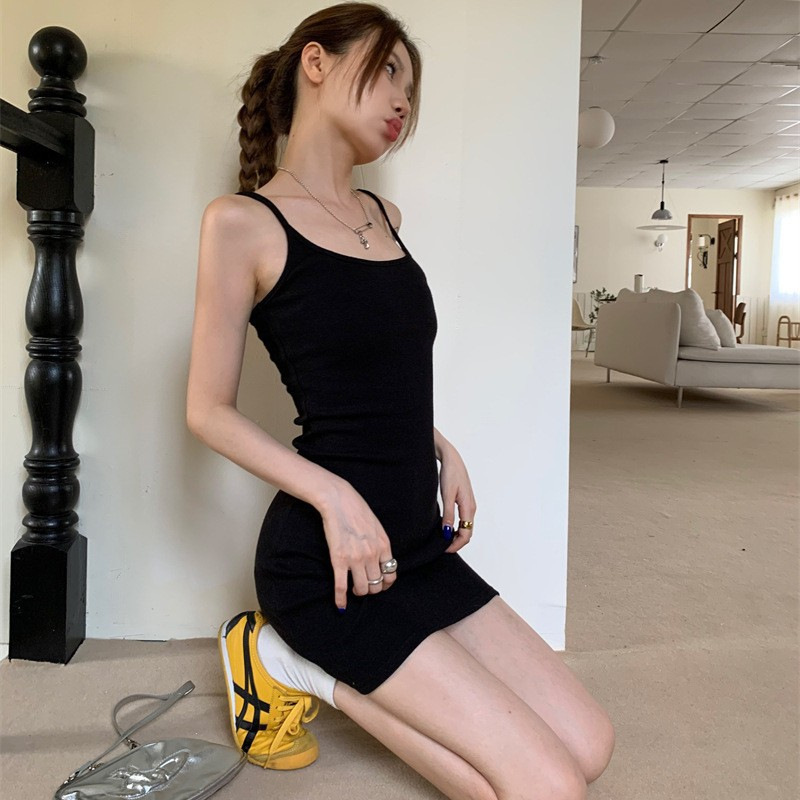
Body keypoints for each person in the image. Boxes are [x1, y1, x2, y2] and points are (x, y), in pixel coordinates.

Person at [186, 3, 614, 797]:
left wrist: (438, 445)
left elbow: (376, 378)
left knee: (591, 745)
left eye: (411, 89)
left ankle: (301, 664)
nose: (403, 102)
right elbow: (207, 410)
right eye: (388, 70)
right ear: (316, 62)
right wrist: (332, 494)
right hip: (329, 562)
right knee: (549, 787)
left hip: (415, 544)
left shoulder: (385, 218)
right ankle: (295, 661)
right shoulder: (243, 223)